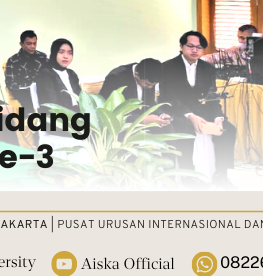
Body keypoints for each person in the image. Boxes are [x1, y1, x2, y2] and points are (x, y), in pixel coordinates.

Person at [161, 31, 238, 187]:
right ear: (181, 47)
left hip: (202, 109)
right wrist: (190, 115)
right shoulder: (167, 67)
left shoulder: (208, 68)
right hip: (178, 109)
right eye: (190, 46)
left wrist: (218, 117)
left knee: (228, 129)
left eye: (199, 47)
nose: (195, 50)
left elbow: (211, 96)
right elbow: (169, 96)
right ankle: (187, 175)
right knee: (185, 128)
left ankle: (221, 174)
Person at [100, 58, 172, 127]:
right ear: (137, 75)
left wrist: (161, 115)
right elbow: (110, 109)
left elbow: (149, 103)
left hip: (142, 118)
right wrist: (141, 119)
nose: (150, 87)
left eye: (153, 85)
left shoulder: (150, 75)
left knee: (169, 127)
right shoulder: (115, 78)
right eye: (147, 84)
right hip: (121, 123)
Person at [3, 30, 47, 113]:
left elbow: (49, 76)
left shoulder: (42, 57)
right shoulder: (13, 60)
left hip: (41, 93)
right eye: (29, 44)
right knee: (28, 110)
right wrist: (27, 88)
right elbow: (10, 83)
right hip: (23, 95)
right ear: (21, 44)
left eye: (34, 43)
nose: (32, 46)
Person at [33, 38, 82, 114]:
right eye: (61, 52)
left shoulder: (72, 74)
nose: (66, 56)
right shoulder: (45, 74)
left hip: (77, 114)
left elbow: (81, 99)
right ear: (54, 53)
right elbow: (52, 104)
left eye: (70, 53)